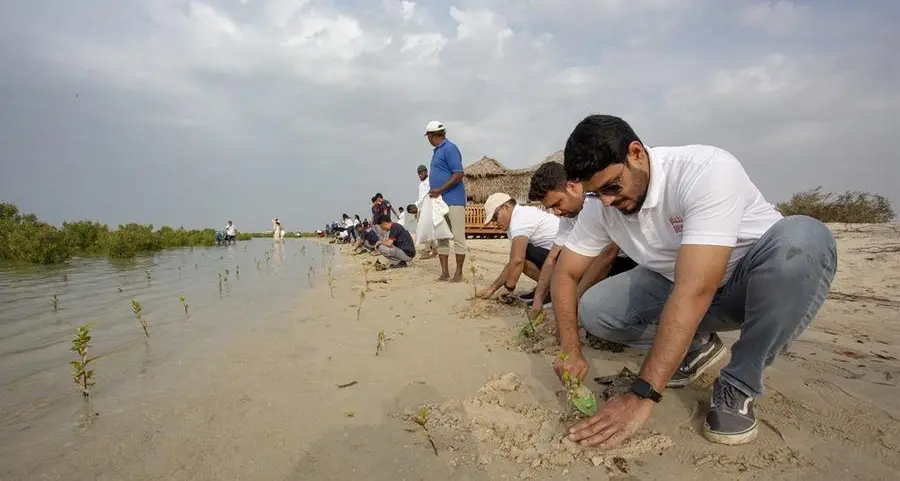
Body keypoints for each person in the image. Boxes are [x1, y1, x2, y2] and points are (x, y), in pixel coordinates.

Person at [551, 114, 837, 448]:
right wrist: (570, 349)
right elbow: (565, 273)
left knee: (805, 240)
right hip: (679, 285)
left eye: (612, 187)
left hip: (748, 286)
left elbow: (695, 289)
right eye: (594, 193)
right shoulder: (601, 205)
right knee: (597, 310)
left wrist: (642, 395)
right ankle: (697, 347)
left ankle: (739, 382)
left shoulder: (705, 169)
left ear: (636, 154)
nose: (607, 202)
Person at [525, 162, 637, 321]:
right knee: (564, 259)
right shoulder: (568, 215)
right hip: (601, 263)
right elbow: (552, 258)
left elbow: (608, 255)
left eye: (557, 204)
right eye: (551, 208)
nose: (556, 212)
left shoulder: (600, 202)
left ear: (572, 187)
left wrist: (570, 307)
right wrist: (538, 299)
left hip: (629, 262)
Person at [474, 193, 559, 299]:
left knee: (522, 254)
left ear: (505, 207)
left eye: (495, 217)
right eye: (493, 220)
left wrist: (509, 287)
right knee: (520, 256)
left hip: (565, 259)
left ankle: (553, 290)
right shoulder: (517, 218)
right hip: (557, 257)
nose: (495, 223)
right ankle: (547, 288)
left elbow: (517, 260)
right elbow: (512, 263)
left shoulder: (520, 219)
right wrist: (492, 288)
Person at [424, 121, 467, 281]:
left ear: (431, 135)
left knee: (457, 237)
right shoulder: (437, 151)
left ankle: (459, 273)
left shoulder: (450, 148)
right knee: (441, 236)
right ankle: (444, 272)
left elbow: (458, 173)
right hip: (439, 201)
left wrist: (440, 189)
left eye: (428, 136)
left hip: (453, 200)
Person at [414, 164, 439, 259]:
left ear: (426, 172)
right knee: (424, 230)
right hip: (421, 208)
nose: (420, 175)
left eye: (421, 173)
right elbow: (420, 198)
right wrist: (417, 210)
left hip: (429, 208)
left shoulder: (430, 181)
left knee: (427, 229)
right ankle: (435, 249)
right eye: (419, 174)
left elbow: (428, 195)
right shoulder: (421, 185)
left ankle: (427, 250)